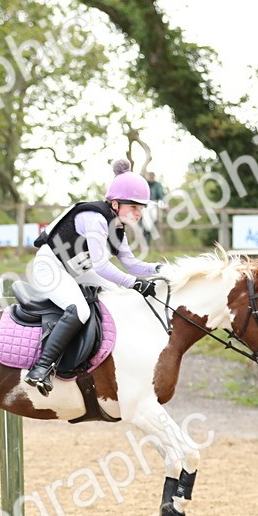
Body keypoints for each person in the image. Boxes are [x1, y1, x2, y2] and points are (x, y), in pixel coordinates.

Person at [24, 158, 161, 396]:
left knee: (121, 295)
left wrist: (158, 270)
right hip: (50, 267)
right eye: (134, 207)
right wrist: (136, 283)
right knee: (80, 311)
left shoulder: (118, 226)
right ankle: (41, 367)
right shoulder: (95, 218)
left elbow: (131, 263)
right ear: (115, 203)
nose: (138, 214)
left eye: (141, 209)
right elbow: (101, 267)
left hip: (76, 270)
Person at [143, 171, 166, 245]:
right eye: (150, 177)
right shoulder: (145, 184)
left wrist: (164, 203)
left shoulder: (158, 185)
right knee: (146, 221)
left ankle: (148, 231)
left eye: (153, 177)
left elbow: (161, 195)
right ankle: (148, 233)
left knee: (154, 217)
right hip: (145, 204)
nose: (151, 178)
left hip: (154, 203)